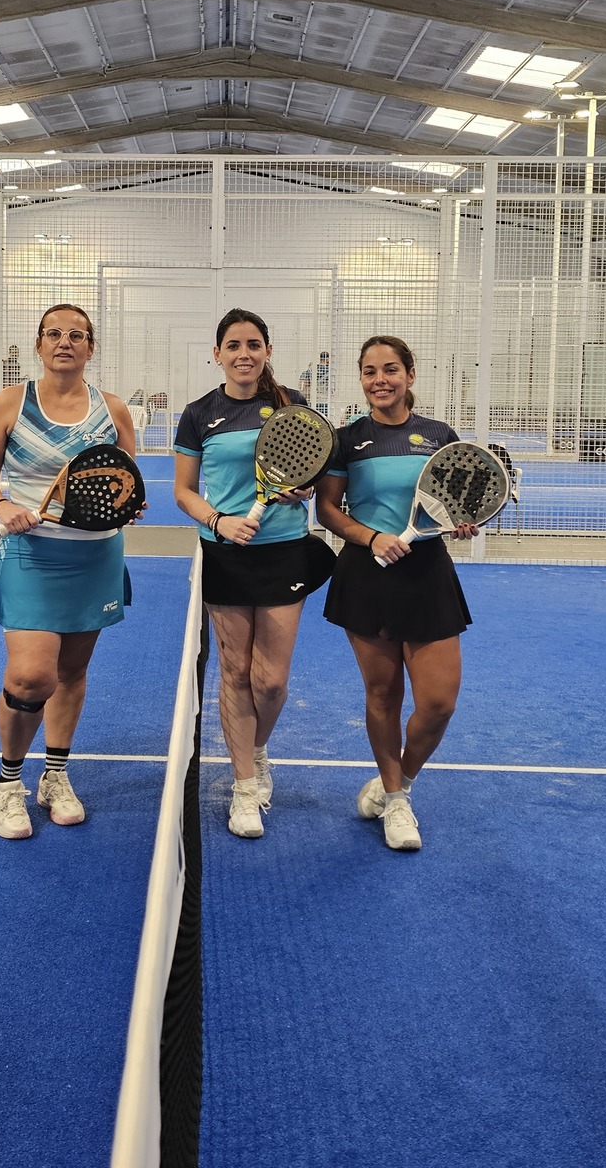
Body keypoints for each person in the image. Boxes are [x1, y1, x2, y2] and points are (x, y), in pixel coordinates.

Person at [0, 304, 140, 840]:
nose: (65, 342)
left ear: (91, 347)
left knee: (71, 672)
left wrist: (129, 506)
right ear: (39, 344)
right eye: (54, 334)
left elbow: (124, 482)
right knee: (31, 676)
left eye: (77, 335)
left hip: (95, 559)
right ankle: (9, 783)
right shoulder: (10, 402)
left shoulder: (113, 409)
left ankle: (55, 776)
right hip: (31, 556)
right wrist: (1, 506)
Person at [173, 309, 335, 839]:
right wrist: (218, 521)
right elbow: (184, 492)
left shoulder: (292, 404)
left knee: (271, 681)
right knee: (234, 672)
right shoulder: (199, 414)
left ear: (267, 351)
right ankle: (244, 784)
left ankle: (257, 748)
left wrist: (303, 490)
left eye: (253, 344)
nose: (244, 354)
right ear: (217, 354)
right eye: (233, 345)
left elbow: (313, 473)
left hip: (285, 551)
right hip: (225, 554)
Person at [314, 335, 481, 853]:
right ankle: (395, 799)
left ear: (410, 375)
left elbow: (458, 502)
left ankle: (400, 781)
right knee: (383, 694)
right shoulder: (346, 440)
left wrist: (462, 523)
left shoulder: (440, 435)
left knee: (438, 703)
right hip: (366, 574)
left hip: (428, 574)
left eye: (390, 370)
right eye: (369, 371)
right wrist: (371, 538)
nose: (380, 380)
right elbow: (327, 510)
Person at [298, 349, 332, 419]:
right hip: (325, 401)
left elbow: (303, 383)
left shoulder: (312, 369)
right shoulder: (330, 371)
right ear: (328, 360)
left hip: (313, 400)